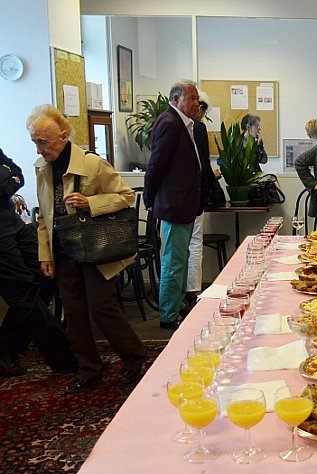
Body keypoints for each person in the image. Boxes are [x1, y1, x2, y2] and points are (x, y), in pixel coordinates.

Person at [28, 105, 147, 393]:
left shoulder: (92, 164)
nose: (39, 149)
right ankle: (89, 369)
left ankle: (134, 358)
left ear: (63, 136)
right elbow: (44, 217)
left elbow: (125, 196)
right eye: (35, 141)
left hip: (96, 248)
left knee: (101, 307)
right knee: (74, 311)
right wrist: (45, 255)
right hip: (63, 250)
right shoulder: (42, 167)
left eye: (43, 141)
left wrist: (91, 203)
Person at [0, 147, 77, 377]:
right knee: (24, 292)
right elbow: (9, 175)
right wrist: (6, 178)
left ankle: (6, 346)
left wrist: (5, 182)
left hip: (15, 223)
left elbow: (17, 174)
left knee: (47, 273)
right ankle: (67, 359)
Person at [144, 80, 204, 330]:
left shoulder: (184, 123)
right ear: (176, 99)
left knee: (182, 257)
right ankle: (168, 315)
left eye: (196, 98)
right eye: (191, 98)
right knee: (173, 261)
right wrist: (149, 199)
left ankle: (177, 304)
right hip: (174, 205)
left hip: (185, 204)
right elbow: (156, 165)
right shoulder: (169, 123)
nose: (196, 103)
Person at [186, 91, 218, 305]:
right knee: (195, 242)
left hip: (176, 198)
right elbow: (203, 162)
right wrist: (211, 180)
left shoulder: (173, 124)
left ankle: (181, 294)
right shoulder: (197, 127)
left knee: (179, 248)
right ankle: (193, 289)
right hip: (194, 196)